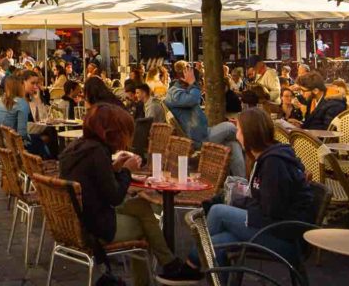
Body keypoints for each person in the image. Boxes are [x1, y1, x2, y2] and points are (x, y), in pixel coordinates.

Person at [60, 103, 201, 285]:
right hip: (96, 227)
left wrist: (114, 168)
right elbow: (115, 197)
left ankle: (170, 265)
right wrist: (126, 171)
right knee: (146, 229)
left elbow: (93, 182)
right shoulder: (98, 152)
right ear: (113, 133)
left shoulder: (77, 148)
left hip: (79, 218)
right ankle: (162, 272)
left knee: (141, 207)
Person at [189, 109, 313, 269]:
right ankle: (198, 264)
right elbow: (265, 203)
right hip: (280, 230)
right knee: (217, 243)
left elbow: (271, 210)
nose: (236, 135)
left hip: (286, 239)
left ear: (250, 133)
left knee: (219, 212)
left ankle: (191, 264)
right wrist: (241, 203)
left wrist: (239, 205)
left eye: (239, 130)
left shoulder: (273, 163)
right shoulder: (270, 157)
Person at [165, 60, 246, 177]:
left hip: (203, 133)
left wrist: (192, 84)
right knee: (230, 127)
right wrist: (193, 83)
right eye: (197, 81)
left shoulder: (181, 91)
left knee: (234, 145)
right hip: (199, 139)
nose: (198, 84)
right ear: (184, 78)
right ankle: (252, 142)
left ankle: (241, 184)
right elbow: (193, 100)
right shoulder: (174, 93)